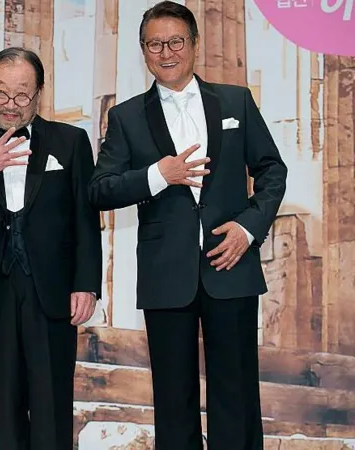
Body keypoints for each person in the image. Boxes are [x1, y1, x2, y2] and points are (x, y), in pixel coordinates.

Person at [87, 2, 288, 448]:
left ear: (194, 44)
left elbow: (272, 169)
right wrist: (159, 175)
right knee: (173, 401)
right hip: (166, 273)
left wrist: (248, 228)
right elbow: (99, 189)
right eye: (155, 44)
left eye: (176, 41)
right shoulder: (126, 117)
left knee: (235, 394)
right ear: (143, 51)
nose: (166, 52)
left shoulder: (235, 100)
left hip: (230, 264)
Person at [0, 47, 103, 450]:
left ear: (39, 94)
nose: (10, 105)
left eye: (22, 95)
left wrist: (87, 283)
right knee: (5, 405)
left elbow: (86, 216)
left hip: (52, 291)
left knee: (52, 405)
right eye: (1, 94)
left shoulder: (71, 141)